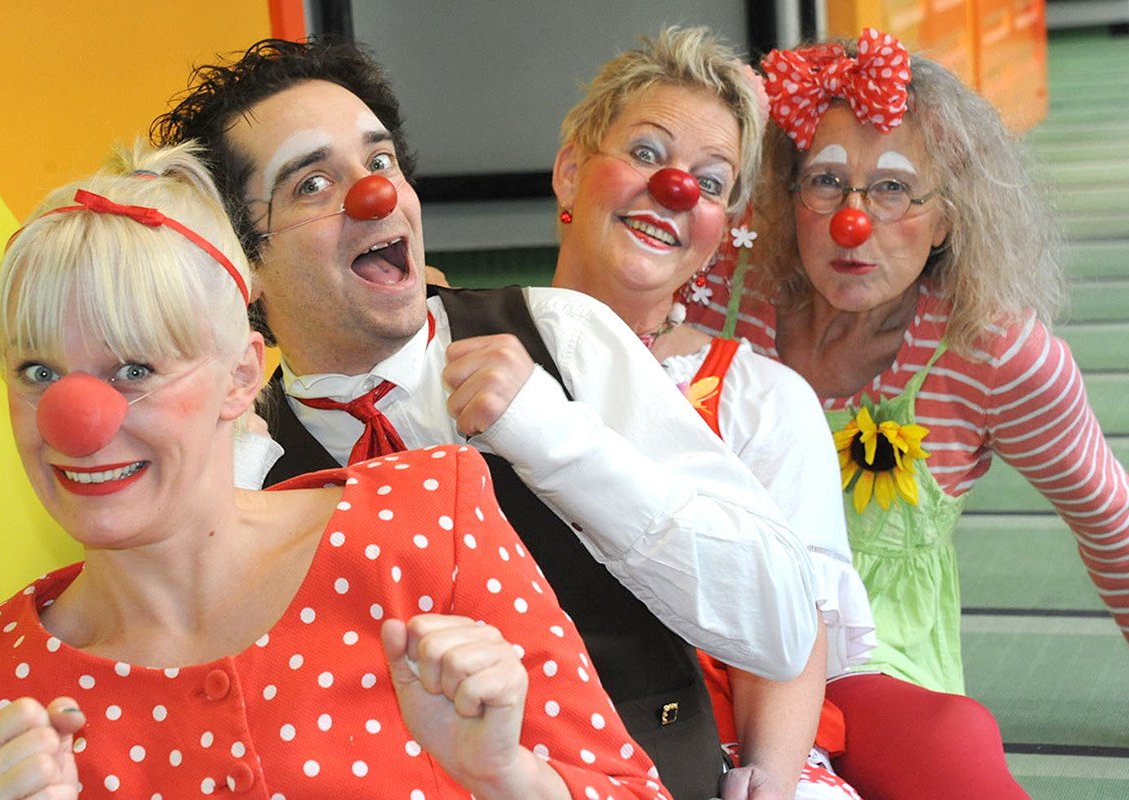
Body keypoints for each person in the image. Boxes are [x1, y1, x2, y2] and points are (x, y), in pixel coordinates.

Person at [151, 36, 820, 800]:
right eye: (311, 184)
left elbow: (780, 623)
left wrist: (563, 444)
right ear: (244, 262)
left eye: (379, 163)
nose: (375, 196)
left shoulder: (561, 334)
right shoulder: (244, 460)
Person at [0, 141, 672, 800]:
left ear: (241, 377)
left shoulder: (426, 528)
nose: (76, 418)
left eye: (133, 367)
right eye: (35, 370)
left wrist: (511, 780)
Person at [681, 27, 1128, 798]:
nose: (855, 222)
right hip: (701, 646)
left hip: (870, 677)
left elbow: (1107, 516)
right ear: (788, 197)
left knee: (950, 751)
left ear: (948, 218)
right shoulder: (723, 298)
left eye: (893, 189)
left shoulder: (994, 354)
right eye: (825, 181)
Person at [548, 26, 870, 800]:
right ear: (569, 174)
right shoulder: (469, 350)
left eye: (711, 181)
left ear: (719, 228)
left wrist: (767, 781)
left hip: (711, 757)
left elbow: (791, 638)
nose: (676, 189)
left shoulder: (764, 401)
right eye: (649, 154)